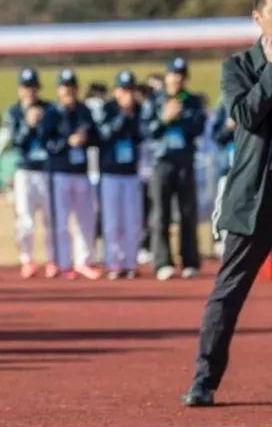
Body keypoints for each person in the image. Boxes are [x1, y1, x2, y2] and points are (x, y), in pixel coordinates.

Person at [183, 0, 272, 407]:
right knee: (228, 292)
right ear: (258, 18)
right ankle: (204, 380)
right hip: (253, 197)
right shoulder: (238, 67)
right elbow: (246, 115)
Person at [141, 57, 206, 280]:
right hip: (162, 162)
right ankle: (162, 262)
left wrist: (181, 117)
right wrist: (164, 118)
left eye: (180, 75)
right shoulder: (155, 101)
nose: (176, 79)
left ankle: (190, 261)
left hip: (184, 161)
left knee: (188, 212)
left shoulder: (193, 101)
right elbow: (146, 130)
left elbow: (199, 127)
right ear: (167, 76)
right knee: (161, 213)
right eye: (173, 74)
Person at [41, 69, 102, 280]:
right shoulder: (52, 113)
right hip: (60, 171)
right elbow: (46, 142)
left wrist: (86, 138)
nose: (68, 91)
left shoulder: (84, 111)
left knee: (85, 218)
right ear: (59, 90)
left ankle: (84, 261)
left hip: (81, 171)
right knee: (60, 220)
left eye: (71, 86)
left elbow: (96, 138)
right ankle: (62, 261)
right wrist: (67, 143)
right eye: (64, 87)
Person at [5, 68, 54, 278]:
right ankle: (27, 259)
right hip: (25, 171)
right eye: (26, 87)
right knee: (25, 220)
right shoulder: (14, 112)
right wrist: (28, 124)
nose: (30, 92)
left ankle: (53, 259)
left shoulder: (49, 109)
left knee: (50, 219)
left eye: (33, 87)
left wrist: (42, 124)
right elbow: (15, 142)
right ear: (20, 90)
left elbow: (55, 138)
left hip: (46, 170)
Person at [96, 70, 144, 279]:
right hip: (111, 173)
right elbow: (105, 134)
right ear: (116, 91)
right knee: (112, 221)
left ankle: (131, 262)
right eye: (124, 90)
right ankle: (114, 262)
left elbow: (142, 135)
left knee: (132, 221)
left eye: (130, 90)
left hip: (131, 172)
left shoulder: (139, 110)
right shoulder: (107, 109)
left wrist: (132, 115)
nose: (128, 95)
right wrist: (123, 115)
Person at [209, 99, 237, 257]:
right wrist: (228, 127)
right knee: (225, 209)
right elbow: (216, 136)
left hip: (253, 169)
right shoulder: (222, 105)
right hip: (227, 169)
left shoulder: (259, 100)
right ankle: (226, 246)